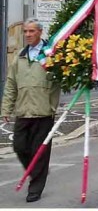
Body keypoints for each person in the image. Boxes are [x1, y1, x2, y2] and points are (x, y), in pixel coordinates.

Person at [1, 18, 61, 203]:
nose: (27, 34)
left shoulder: (50, 54)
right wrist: (6, 108)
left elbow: (63, 77)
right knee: (19, 146)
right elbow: (11, 83)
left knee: (40, 152)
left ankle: (35, 188)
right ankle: (37, 171)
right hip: (23, 111)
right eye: (25, 31)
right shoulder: (20, 56)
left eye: (31, 31)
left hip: (43, 112)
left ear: (40, 32)